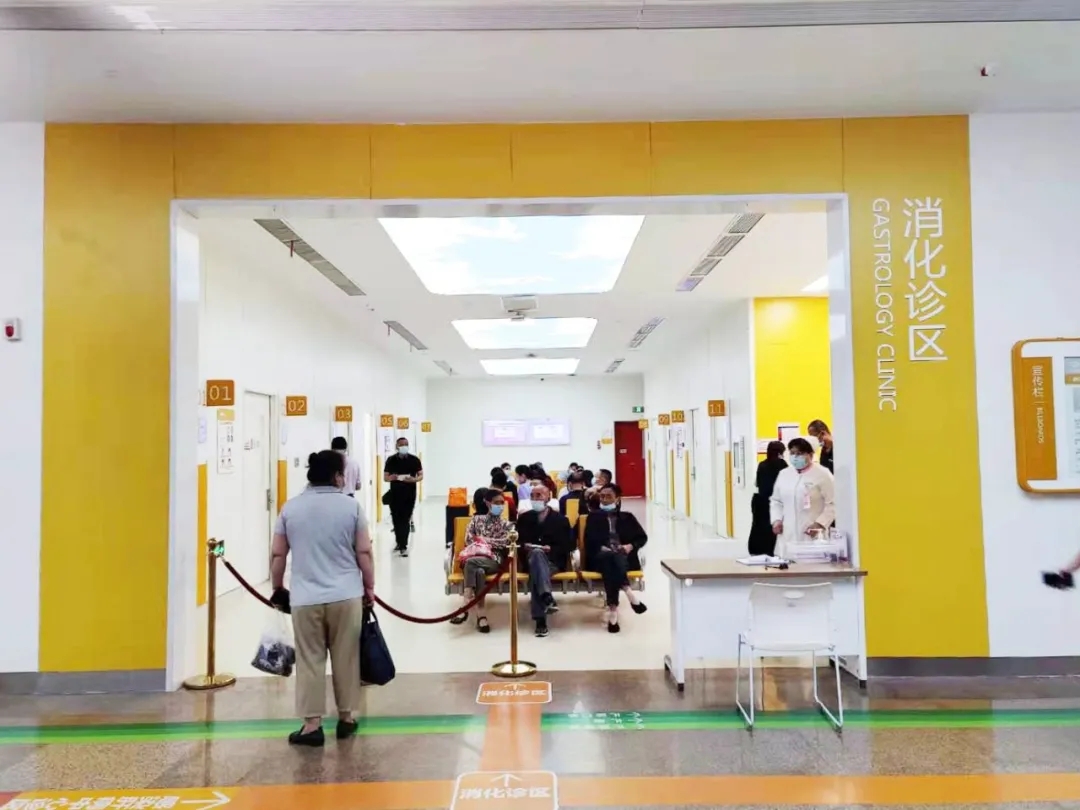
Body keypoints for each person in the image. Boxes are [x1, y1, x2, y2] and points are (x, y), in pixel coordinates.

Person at [270, 449, 375, 747]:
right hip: (346, 596)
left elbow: (278, 553)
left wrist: (277, 587)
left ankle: (312, 726)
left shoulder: (290, 508)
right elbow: (364, 551)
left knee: (310, 660)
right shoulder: (351, 508)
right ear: (337, 476)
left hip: (305, 598)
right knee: (346, 656)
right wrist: (369, 587)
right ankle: (346, 718)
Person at [584, 484, 648, 633]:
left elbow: (642, 537)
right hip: (599, 557)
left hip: (623, 557)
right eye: (602, 496)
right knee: (610, 557)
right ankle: (628, 592)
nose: (604, 500)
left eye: (609, 496)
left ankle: (613, 612)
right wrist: (602, 548)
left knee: (612, 563)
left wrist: (630, 546)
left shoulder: (627, 517)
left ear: (617, 499)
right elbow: (589, 541)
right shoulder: (593, 517)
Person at [516, 484, 574, 637]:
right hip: (530, 560)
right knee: (536, 555)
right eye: (532, 496)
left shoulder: (561, 520)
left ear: (548, 497)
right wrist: (525, 546)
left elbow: (569, 545)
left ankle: (540, 619)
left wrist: (551, 549)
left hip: (553, 562)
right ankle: (546, 598)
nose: (535, 499)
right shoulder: (524, 518)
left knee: (537, 571)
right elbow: (517, 542)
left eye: (539, 495)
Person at [451, 488, 511, 633]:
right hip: (475, 557)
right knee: (478, 571)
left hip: (494, 560)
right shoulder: (476, 520)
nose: (500, 506)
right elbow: (468, 540)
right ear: (488, 503)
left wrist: (483, 540)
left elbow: (506, 542)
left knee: (472, 563)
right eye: (496, 502)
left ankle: (465, 605)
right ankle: (481, 615)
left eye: (502, 503)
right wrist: (491, 542)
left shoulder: (506, 524)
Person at [769, 437, 836, 559]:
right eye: (792, 453)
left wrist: (820, 523)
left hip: (812, 534)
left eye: (800, 453)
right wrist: (776, 520)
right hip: (787, 535)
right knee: (787, 566)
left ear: (810, 454)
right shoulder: (784, 474)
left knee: (811, 568)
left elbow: (833, 503)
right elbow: (776, 501)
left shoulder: (823, 474)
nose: (795, 457)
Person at [383, 437, 423, 557]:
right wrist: (391, 478)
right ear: (397, 446)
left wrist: (413, 479)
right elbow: (385, 477)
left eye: (406, 444)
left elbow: (421, 475)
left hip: (409, 495)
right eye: (401, 445)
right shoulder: (391, 460)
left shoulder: (414, 460)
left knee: (405, 519)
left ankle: (403, 546)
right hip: (395, 495)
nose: (404, 446)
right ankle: (399, 542)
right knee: (396, 519)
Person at [748, 441, 788, 556]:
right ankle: (772, 550)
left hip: (761, 501)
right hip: (775, 501)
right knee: (773, 526)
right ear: (780, 452)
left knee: (760, 527)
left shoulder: (762, 464)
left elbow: (758, 483)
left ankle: (758, 550)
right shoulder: (782, 465)